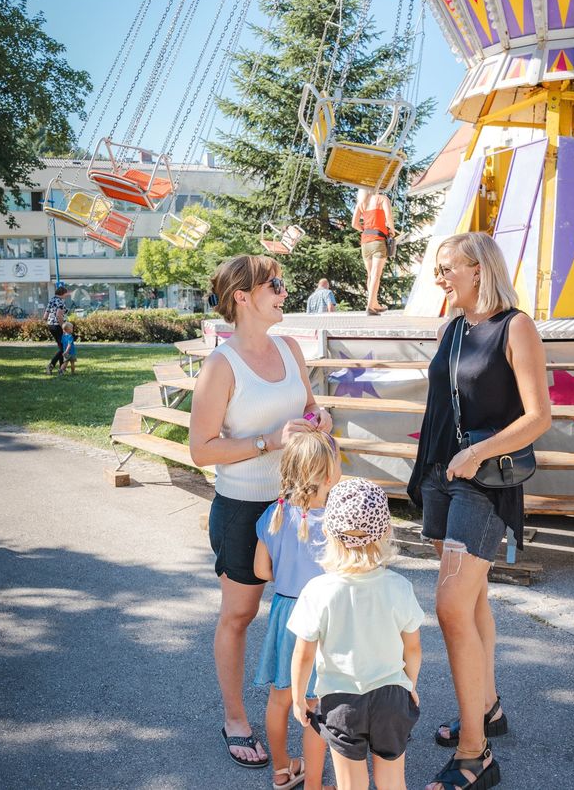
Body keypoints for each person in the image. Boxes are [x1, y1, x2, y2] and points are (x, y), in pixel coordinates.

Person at [407, 232, 551, 790]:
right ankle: (486, 707)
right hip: (444, 479)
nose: (440, 277)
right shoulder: (452, 328)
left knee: (449, 606)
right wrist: (429, 472)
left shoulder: (515, 327)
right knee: (473, 601)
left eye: (447, 268)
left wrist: (476, 452)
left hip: (484, 484)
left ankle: (476, 754)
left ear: (478, 269)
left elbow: (538, 416)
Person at [188, 254, 333, 770]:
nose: (283, 288)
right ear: (243, 297)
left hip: (301, 506)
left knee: (309, 608)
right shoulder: (220, 365)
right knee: (240, 614)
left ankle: (311, 708)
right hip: (243, 507)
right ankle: (236, 719)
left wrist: (320, 419)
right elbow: (202, 450)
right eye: (274, 283)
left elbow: (312, 406)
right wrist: (268, 440)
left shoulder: (291, 348)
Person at [289, 478, 424, 790]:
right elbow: (413, 649)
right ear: (385, 531)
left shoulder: (318, 591)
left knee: (351, 785)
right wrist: (409, 685)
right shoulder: (398, 588)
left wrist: (298, 700)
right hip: (391, 696)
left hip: (341, 701)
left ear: (328, 530)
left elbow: (304, 653)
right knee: (393, 782)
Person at [253, 431, 341, 790]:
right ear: (326, 476)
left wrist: (287, 577)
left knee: (279, 698)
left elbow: (261, 571)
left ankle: (281, 769)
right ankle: (315, 785)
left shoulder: (274, 514)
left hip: (284, 615)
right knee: (314, 707)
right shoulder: (333, 521)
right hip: (320, 621)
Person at [351, 188, 396, 316]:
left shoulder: (361, 203)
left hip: (365, 242)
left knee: (370, 275)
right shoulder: (382, 199)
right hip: (378, 240)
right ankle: (370, 306)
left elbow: (354, 224)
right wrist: (392, 230)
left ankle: (374, 303)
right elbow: (389, 217)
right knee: (376, 275)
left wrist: (365, 230)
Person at [43, 285, 68, 375]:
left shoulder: (52, 300)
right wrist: (63, 327)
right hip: (58, 326)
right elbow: (58, 315)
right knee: (63, 348)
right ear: (62, 294)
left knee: (61, 347)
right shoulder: (60, 302)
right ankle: (51, 365)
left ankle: (61, 369)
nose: (66, 296)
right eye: (66, 294)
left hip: (51, 325)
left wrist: (50, 322)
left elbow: (45, 316)